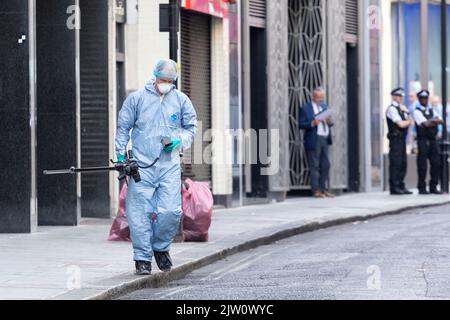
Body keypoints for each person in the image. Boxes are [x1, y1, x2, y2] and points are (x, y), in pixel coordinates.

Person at [115, 59, 198, 275]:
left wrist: (179, 140)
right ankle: (142, 258)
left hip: (168, 165)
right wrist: (121, 156)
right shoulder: (137, 99)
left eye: (170, 81)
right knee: (139, 213)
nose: (166, 84)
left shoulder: (181, 100)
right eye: (163, 80)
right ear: (155, 76)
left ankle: (160, 248)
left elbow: (191, 128)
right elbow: (123, 128)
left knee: (171, 211)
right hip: (141, 167)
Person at [299, 87, 335, 199]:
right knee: (314, 165)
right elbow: (300, 124)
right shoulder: (306, 108)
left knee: (326, 165)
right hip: (314, 139)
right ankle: (316, 191)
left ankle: (323, 189)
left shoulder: (324, 107)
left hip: (324, 138)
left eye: (322, 97)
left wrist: (329, 121)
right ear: (313, 97)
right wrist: (313, 123)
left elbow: (331, 123)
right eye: (318, 97)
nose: (320, 99)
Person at [413, 89, 443, 195]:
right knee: (422, 165)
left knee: (436, 163)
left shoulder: (431, 110)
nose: (424, 100)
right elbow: (425, 124)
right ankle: (422, 187)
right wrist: (433, 121)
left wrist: (431, 121)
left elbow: (440, 120)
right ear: (419, 99)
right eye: (422, 98)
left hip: (433, 140)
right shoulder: (417, 111)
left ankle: (433, 186)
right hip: (423, 140)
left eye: (426, 98)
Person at [386, 88, 414, 195]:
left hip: (402, 139)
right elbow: (401, 124)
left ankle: (401, 185)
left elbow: (411, 122)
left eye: (401, 96)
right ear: (394, 96)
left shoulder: (402, 109)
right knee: (396, 163)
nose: (400, 98)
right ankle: (394, 187)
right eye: (398, 96)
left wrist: (407, 112)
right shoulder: (392, 109)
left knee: (403, 163)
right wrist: (407, 121)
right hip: (395, 139)